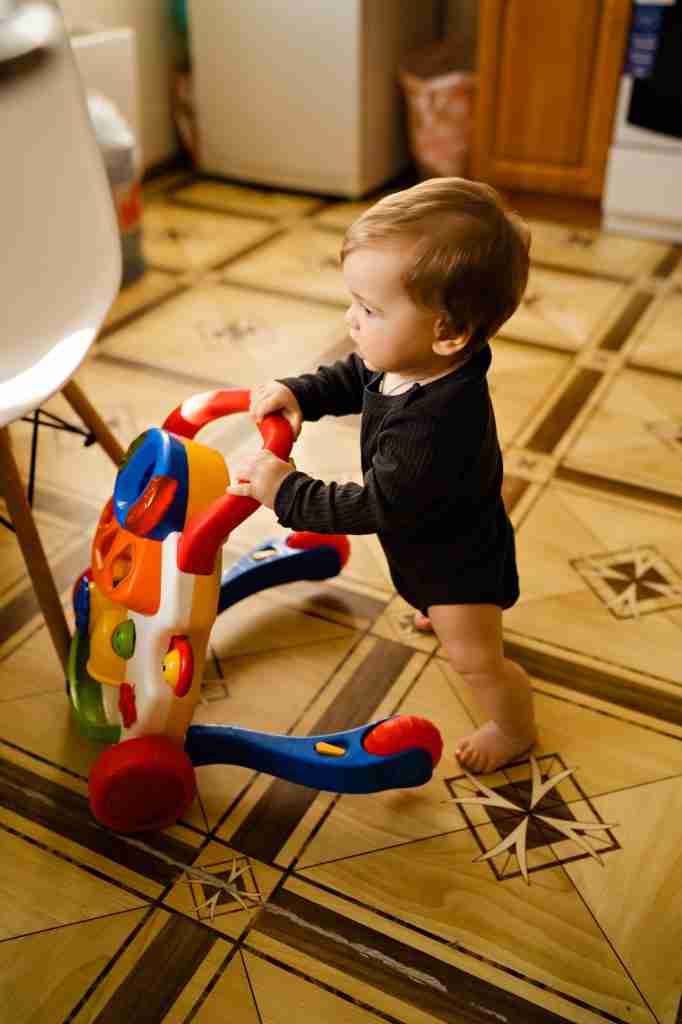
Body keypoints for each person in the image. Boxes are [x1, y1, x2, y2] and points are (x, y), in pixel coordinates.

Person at [227, 177, 536, 773]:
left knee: (476, 660)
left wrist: (283, 489)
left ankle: (513, 726)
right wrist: (302, 393)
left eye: (369, 310)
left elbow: (374, 506)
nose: (352, 321)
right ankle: (433, 607)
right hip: (431, 544)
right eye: (354, 302)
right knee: (435, 601)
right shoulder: (412, 359)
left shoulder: (433, 428)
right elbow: (355, 375)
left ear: (448, 332)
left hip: (458, 566)